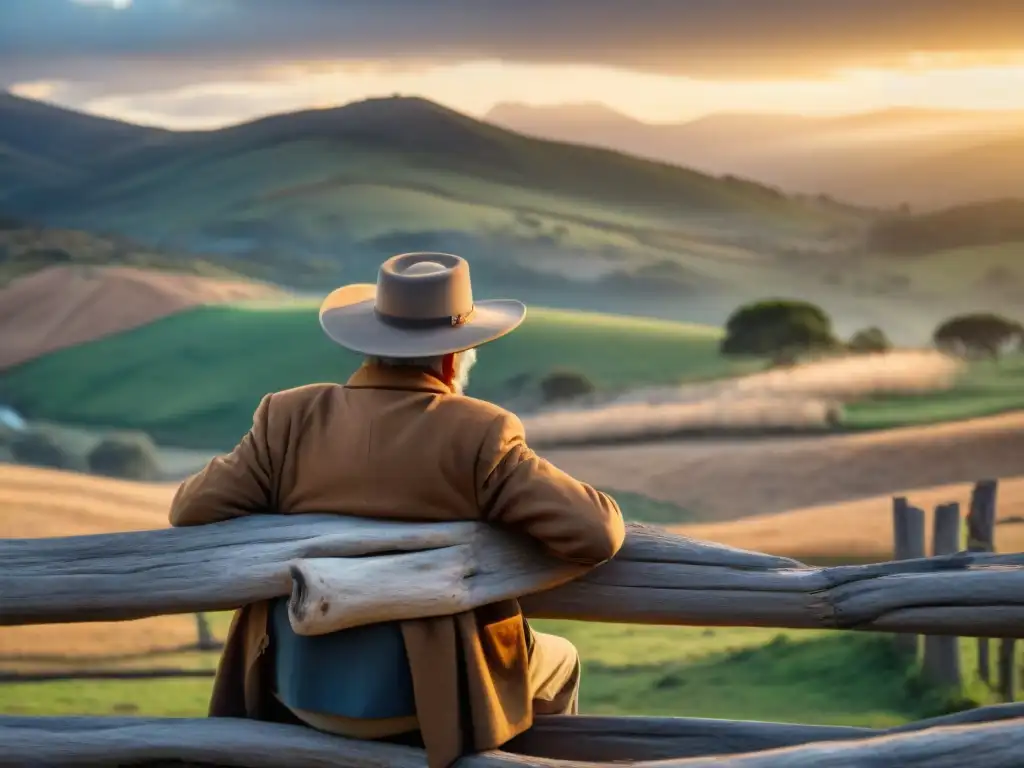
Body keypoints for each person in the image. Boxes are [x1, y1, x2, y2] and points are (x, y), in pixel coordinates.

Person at [168, 252, 625, 768]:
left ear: (368, 344)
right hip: (423, 702)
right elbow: (597, 531)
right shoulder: (479, 432)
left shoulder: (287, 419)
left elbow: (190, 508)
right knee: (560, 659)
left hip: (294, 688)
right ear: (453, 359)